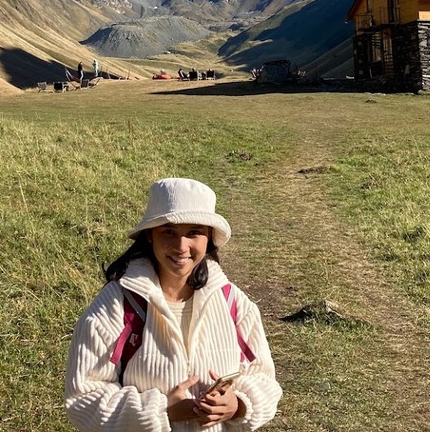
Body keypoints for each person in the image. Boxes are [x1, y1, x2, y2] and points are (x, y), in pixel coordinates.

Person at [65, 178, 281, 431]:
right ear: (149, 236)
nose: (181, 247)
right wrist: (161, 411)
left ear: (208, 238)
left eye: (194, 233)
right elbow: (83, 399)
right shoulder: (115, 305)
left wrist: (239, 404)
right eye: (168, 232)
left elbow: (264, 378)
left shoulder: (233, 302)